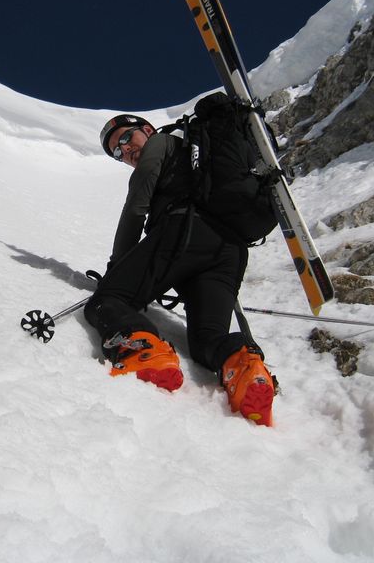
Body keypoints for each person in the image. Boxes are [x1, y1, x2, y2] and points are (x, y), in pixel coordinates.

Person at [85, 113, 277, 426]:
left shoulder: (160, 144)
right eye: (117, 153)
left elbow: (136, 209)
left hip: (186, 232)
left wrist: (116, 270)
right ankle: (244, 370)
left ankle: (145, 350)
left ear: (146, 130)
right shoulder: (194, 157)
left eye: (125, 139)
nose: (125, 151)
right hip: (229, 251)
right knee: (206, 341)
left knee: (109, 301)